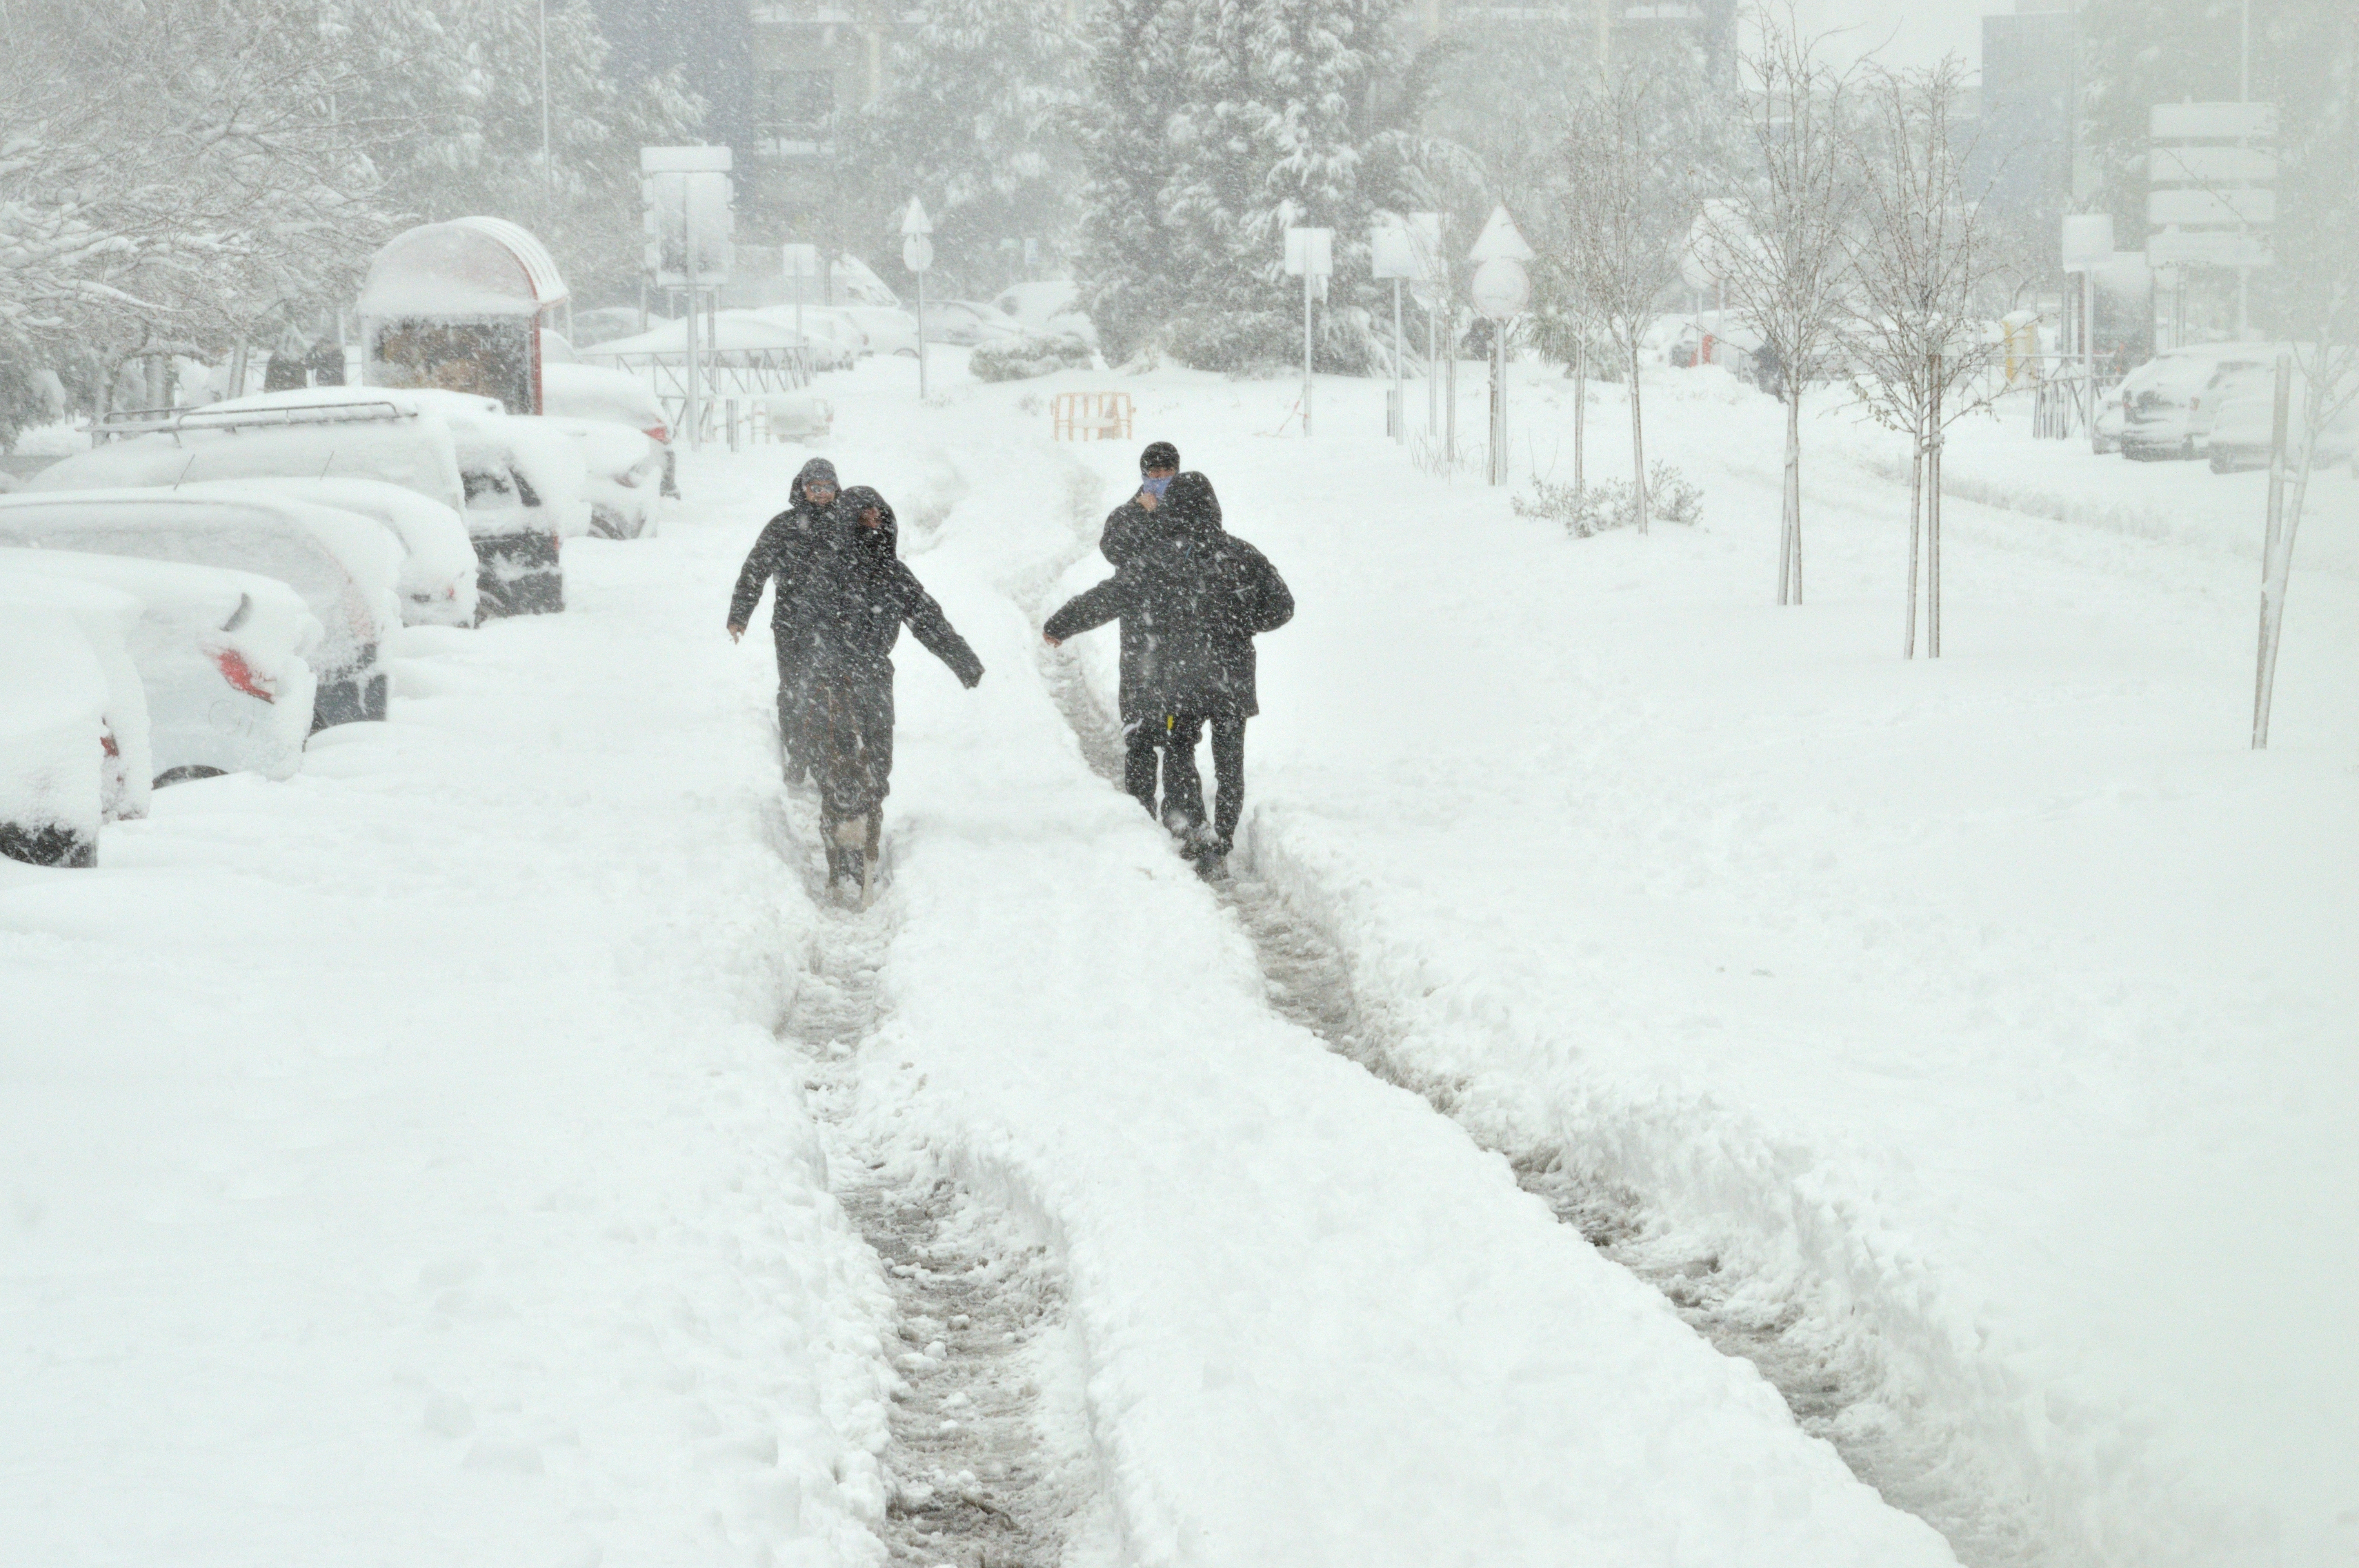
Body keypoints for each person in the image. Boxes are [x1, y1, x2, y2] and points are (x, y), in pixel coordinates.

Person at [1043, 470, 1291, 872]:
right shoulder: (1241, 554)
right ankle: (1222, 836)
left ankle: (1189, 821)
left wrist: (1061, 624)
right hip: (1232, 677)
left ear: (1172, 510)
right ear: (1213, 506)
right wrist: (1242, 623)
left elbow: (1110, 597)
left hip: (1182, 678)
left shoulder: (1156, 558)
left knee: (1180, 746)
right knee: (1230, 760)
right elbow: (1282, 606)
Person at [796, 484, 984, 898]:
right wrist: (826, 666)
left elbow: (928, 619)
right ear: (848, 521)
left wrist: (963, 661)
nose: (873, 523)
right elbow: (808, 622)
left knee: (877, 763)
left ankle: (866, 840)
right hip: (834, 682)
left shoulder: (892, 573)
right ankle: (839, 849)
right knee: (835, 761)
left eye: (878, 516)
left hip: (876, 679)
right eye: (864, 517)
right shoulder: (829, 569)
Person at [727, 457, 841, 783]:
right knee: (794, 690)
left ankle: (827, 758)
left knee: (832, 691)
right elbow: (755, 571)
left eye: (827, 487)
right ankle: (797, 752)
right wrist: (739, 615)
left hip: (837, 625)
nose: (821, 494)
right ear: (803, 489)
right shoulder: (784, 526)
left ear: (836, 489)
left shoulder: (847, 525)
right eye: (814, 487)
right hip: (793, 624)